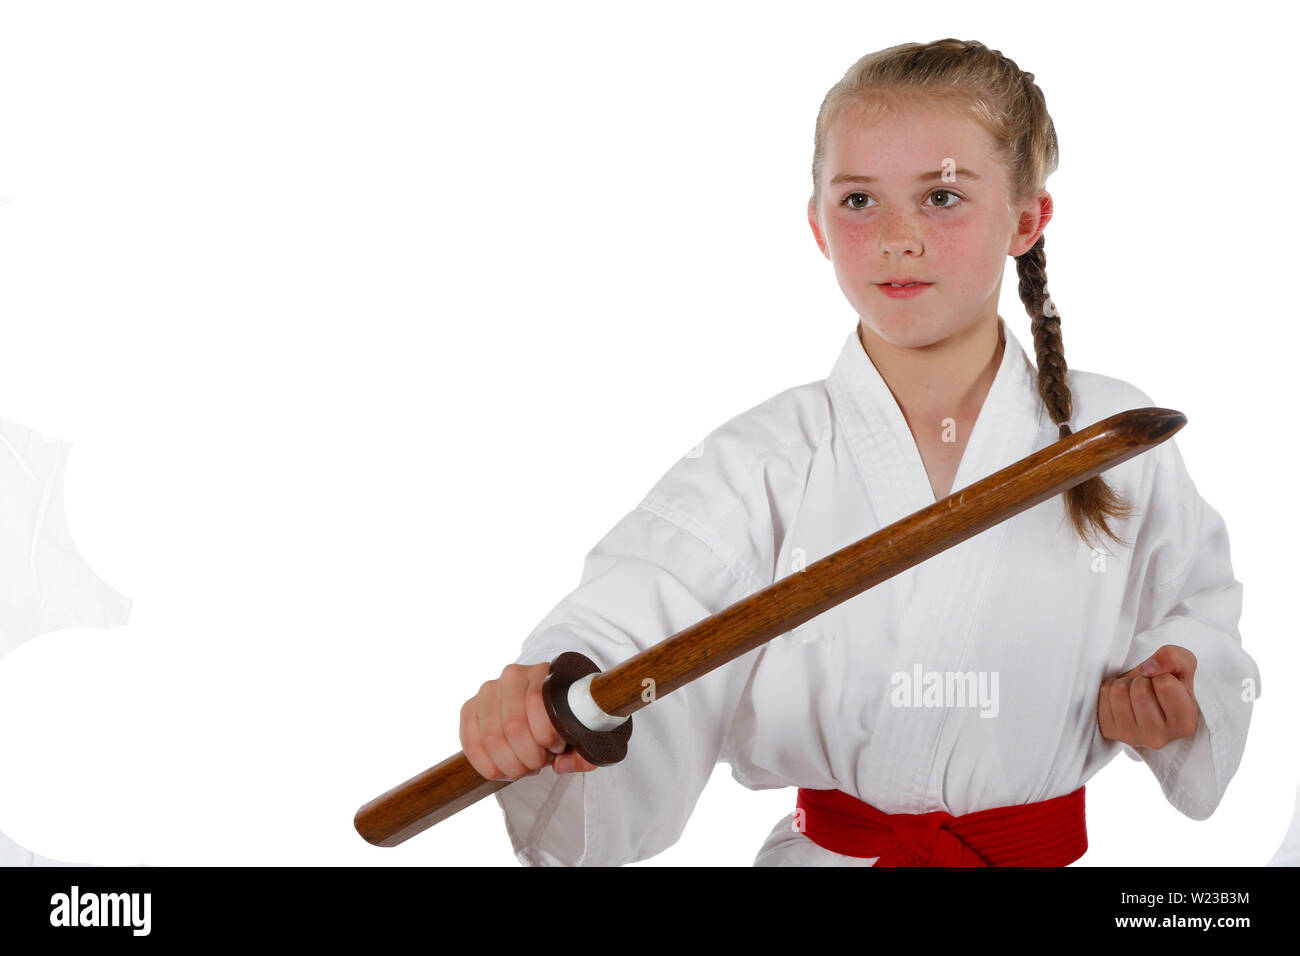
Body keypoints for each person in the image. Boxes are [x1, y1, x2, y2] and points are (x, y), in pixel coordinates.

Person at [458, 38, 1259, 866]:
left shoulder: (1109, 436)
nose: (896, 238)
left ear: (1027, 218)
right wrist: (554, 692)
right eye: (858, 201)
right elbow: (642, 611)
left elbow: (1197, 606)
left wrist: (1178, 687)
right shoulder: (765, 460)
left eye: (943, 196)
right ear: (816, 224)